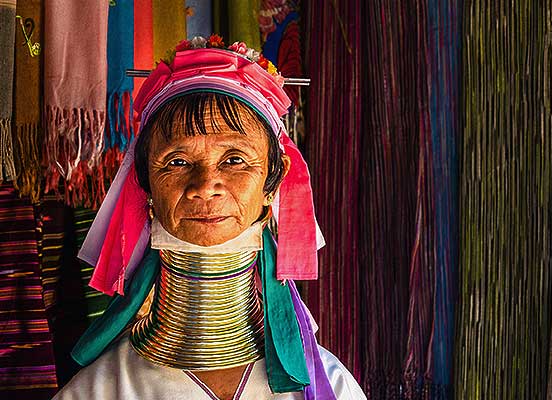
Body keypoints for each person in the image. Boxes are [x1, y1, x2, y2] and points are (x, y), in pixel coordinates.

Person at [53, 37, 365, 400]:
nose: (204, 186)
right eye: (177, 162)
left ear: (272, 184)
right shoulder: (99, 391)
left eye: (234, 160)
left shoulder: (330, 386)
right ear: (146, 188)